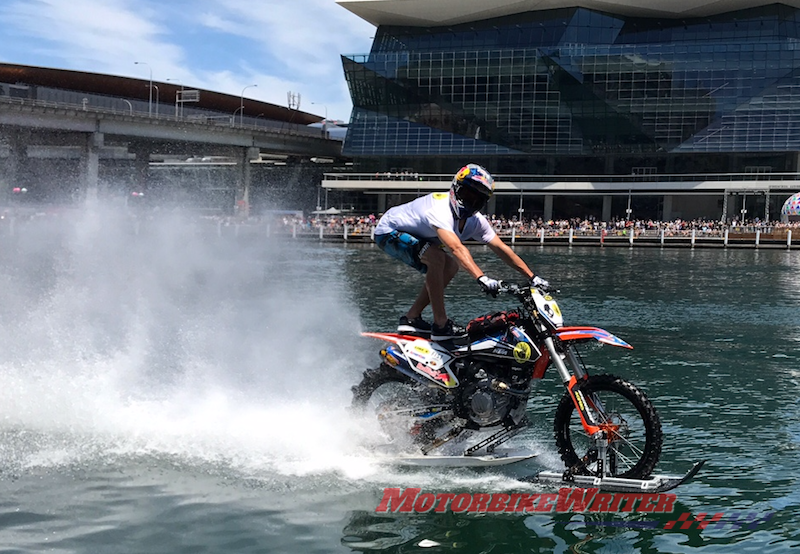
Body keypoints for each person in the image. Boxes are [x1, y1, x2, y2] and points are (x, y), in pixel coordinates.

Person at [373, 163, 548, 341]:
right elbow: (456, 248)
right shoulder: (440, 209)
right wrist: (482, 278)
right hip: (388, 231)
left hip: (415, 236)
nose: (471, 203)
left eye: (477, 201)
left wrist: (532, 277)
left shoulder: (476, 222)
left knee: (450, 267)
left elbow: (501, 248)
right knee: (437, 259)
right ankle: (440, 325)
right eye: (467, 195)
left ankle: (411, 319)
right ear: (455, 189)